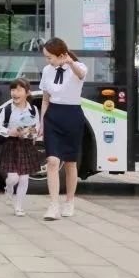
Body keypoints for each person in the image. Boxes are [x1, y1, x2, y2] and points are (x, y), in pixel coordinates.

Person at [39, 37, 88, 221]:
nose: (47, 61)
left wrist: (70, 62)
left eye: (49, 57)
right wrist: (42, 123)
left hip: (72, 116)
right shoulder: (47, 70)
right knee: (52, 161)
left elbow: (81, 75)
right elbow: (45, 99)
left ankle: (69, 201)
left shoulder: (78, 67)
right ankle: (53, 205)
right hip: (53, 116)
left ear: (61, 55)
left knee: (70, 163)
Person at [0, 78, 40, 217]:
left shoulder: (33, 110)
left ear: (27, 93)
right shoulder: (7, 109)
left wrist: (28, 132)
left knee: (24, 178)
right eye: (13, 90)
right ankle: (9, 187)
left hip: (26, 145)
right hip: (11, 145)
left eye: (19, 90)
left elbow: (36, 128)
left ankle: (19, 207)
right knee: (13, 178)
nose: (14, 93)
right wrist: (9, 131)